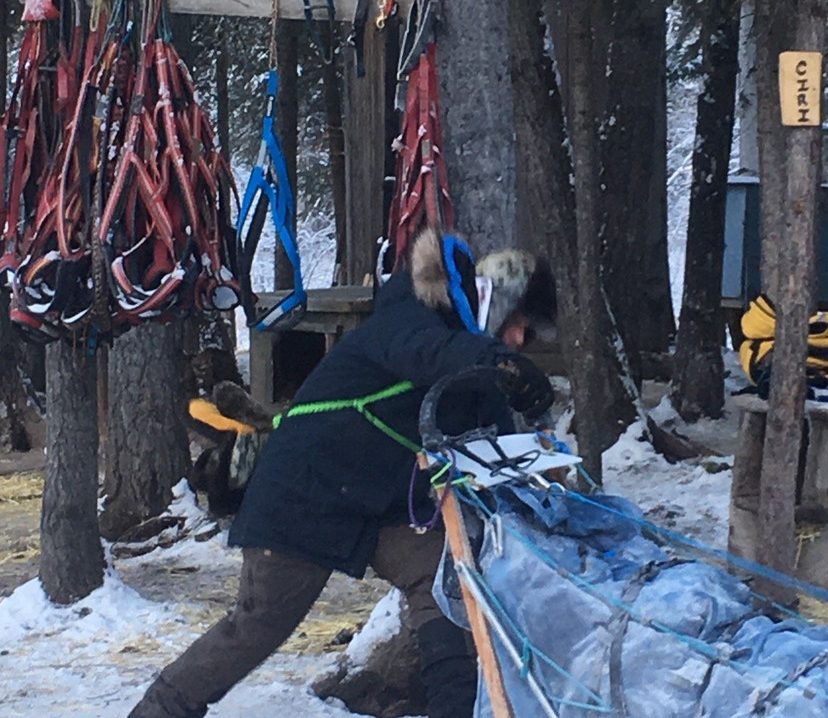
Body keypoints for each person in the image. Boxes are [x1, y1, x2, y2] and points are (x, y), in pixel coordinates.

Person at [129, 230, 558, 718]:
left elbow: (498, 449)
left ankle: (454, 708)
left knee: (444, 583)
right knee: (257, 626)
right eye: (521, 326)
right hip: (304, 492)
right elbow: (427, 352)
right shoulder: (412, 315)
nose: (520, 341)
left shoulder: (476, 364)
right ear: (499, 303)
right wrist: (500, 363)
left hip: (382, 507)